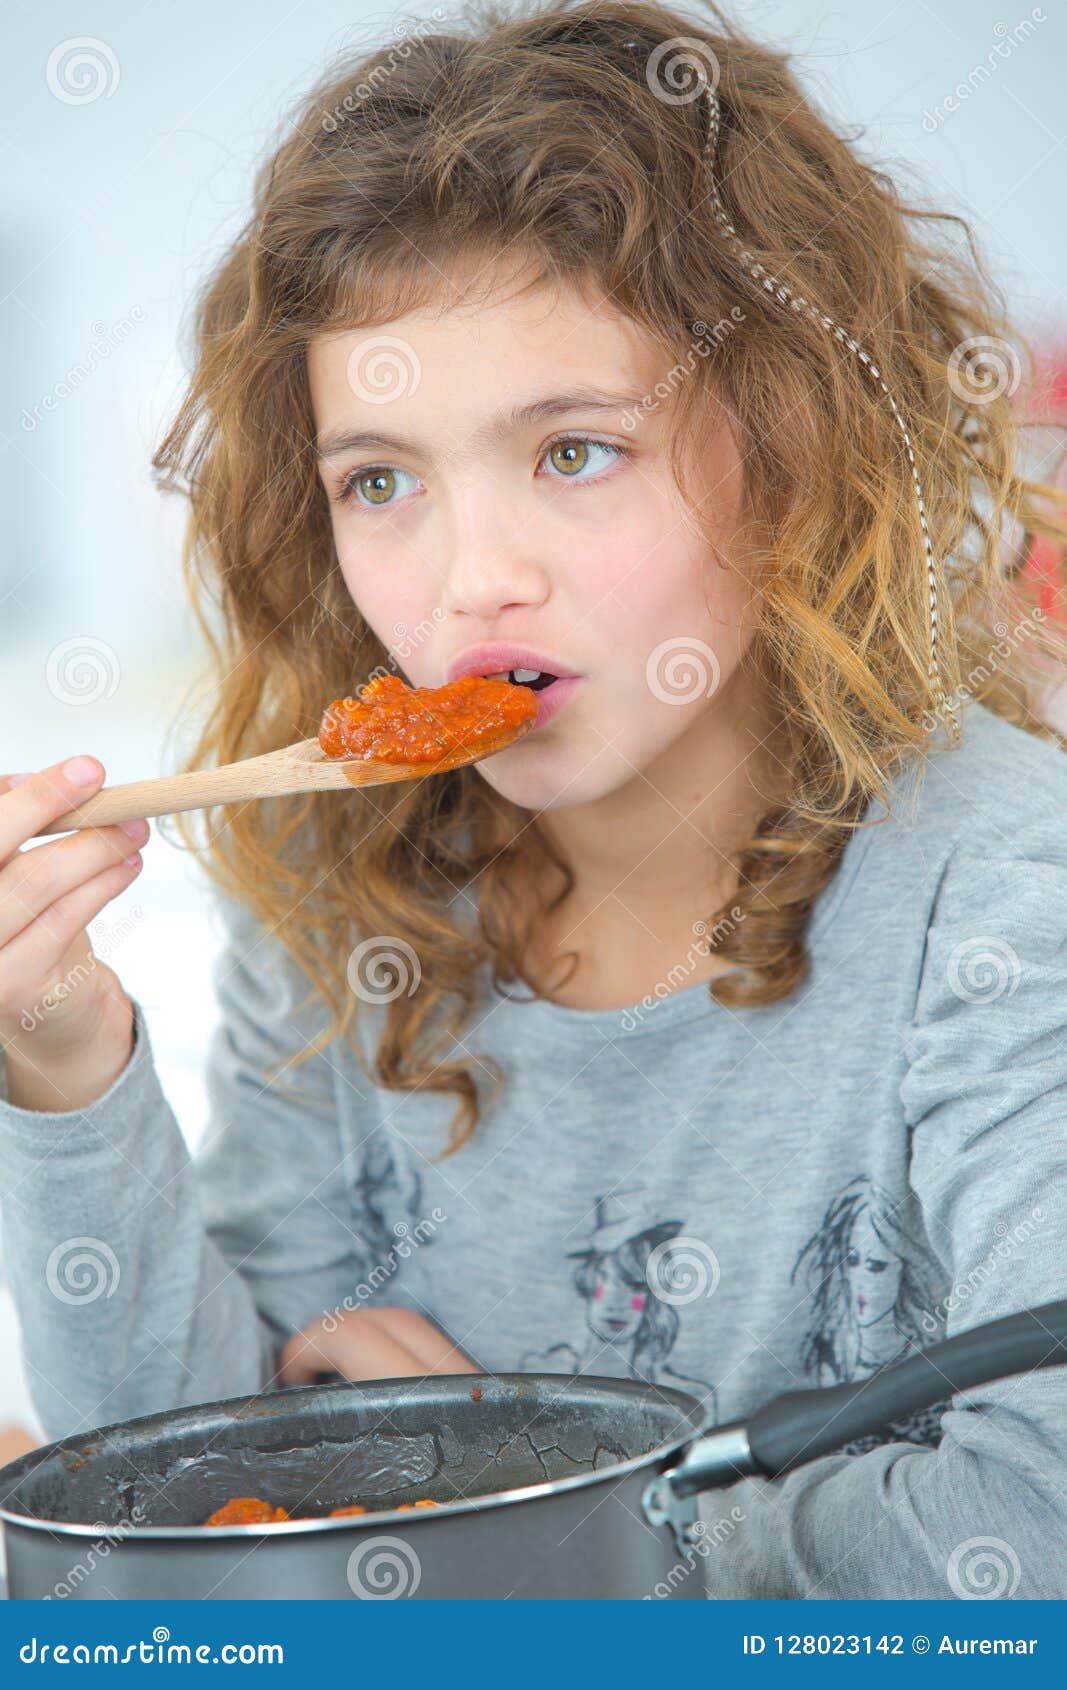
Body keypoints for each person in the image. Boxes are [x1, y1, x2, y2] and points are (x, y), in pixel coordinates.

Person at [2, 0, 1066, 1599]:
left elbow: (1032, 1534)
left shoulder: (1003, 885)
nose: (468, 583)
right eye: (381, 480)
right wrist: (70, 1066)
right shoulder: (333, 864)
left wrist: (532, 1511)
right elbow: (192, 1539)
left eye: (574, 451)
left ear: (790, 449)